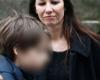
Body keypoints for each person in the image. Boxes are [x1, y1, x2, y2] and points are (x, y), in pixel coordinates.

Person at [29, 0, 100, 80]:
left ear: (65, 6)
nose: (48, 9)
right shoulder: (25, 45)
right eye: (42, 4)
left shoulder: (92, 44)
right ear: (35, 9)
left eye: (55, 2)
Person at [0, 14, 51, 80]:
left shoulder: (28, 72)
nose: (46, 58)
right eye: (39, 51)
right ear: (18, 50)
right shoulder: (4, 75)